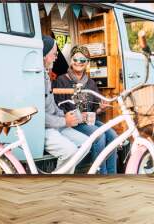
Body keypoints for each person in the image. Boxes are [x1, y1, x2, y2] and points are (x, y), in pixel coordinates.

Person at [53, 45, 118, 174]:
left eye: (83, 60)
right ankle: (100, 174)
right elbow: (59, 108)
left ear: (87, 63)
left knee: (113, 136)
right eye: (75, 59)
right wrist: (78, 115)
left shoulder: (91, 83)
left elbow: (95, 110)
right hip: (73, 122)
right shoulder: (61, 80)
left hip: (89, 121)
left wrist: (101, 108)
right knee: (99, 136)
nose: (78, 63)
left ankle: (112, 174)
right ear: (71, 60)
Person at [42, 36, 90, 174]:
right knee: (71, 151)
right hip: (45, 128)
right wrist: (65, 120)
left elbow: (51, 106)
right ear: (44, 55)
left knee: (87, 143)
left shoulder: (46, 75)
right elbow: (39, 116)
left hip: (57, 124)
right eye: (54, 54)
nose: (56, 58)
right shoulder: (37, 78)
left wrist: (65, 116)